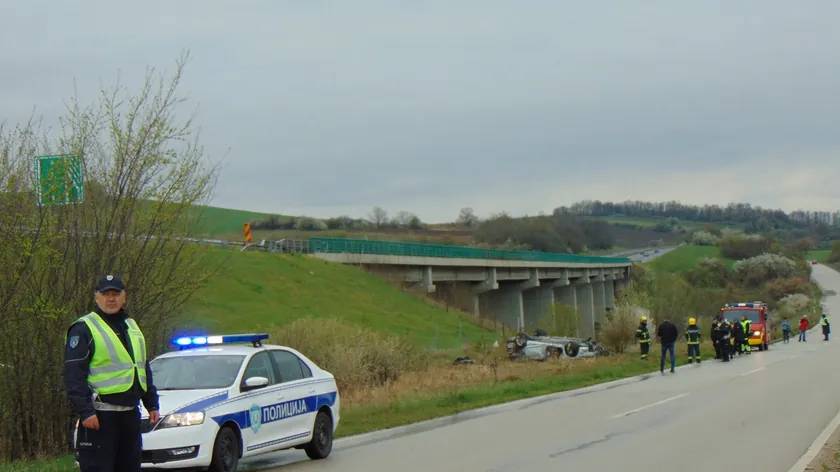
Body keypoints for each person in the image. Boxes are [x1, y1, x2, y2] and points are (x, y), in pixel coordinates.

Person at [64, 275, 160, 472]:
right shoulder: (84, 328)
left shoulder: (131, 326)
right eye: (105, 294)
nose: (110, 299)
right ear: (96, 297)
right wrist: (85, 412)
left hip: (129, 416)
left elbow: (141, 367)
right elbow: (73, 374)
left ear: (124, 297)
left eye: (115, 294)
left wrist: (151, 403)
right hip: (100, 416)